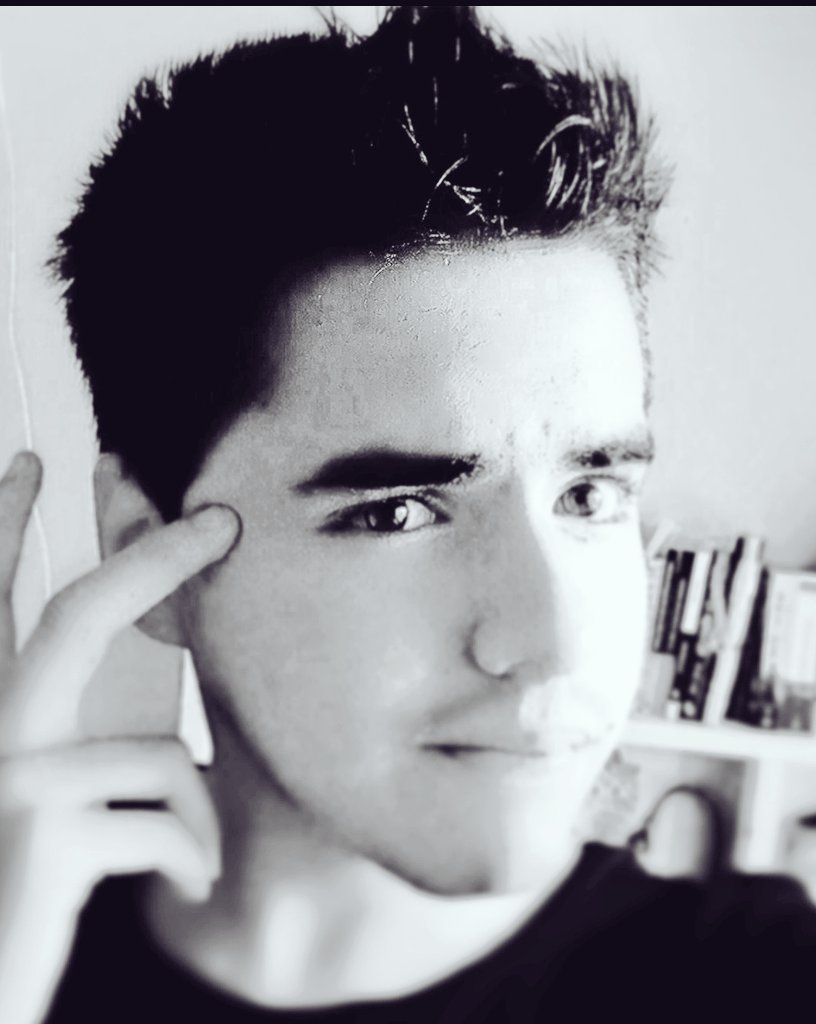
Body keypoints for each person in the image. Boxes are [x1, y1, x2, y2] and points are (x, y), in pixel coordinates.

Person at [0, 6, 814, 1023]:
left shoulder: (754, 977)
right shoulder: (23, 933)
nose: (555, 645)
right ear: (145, 548)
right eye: (398, 513)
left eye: (590, 496)